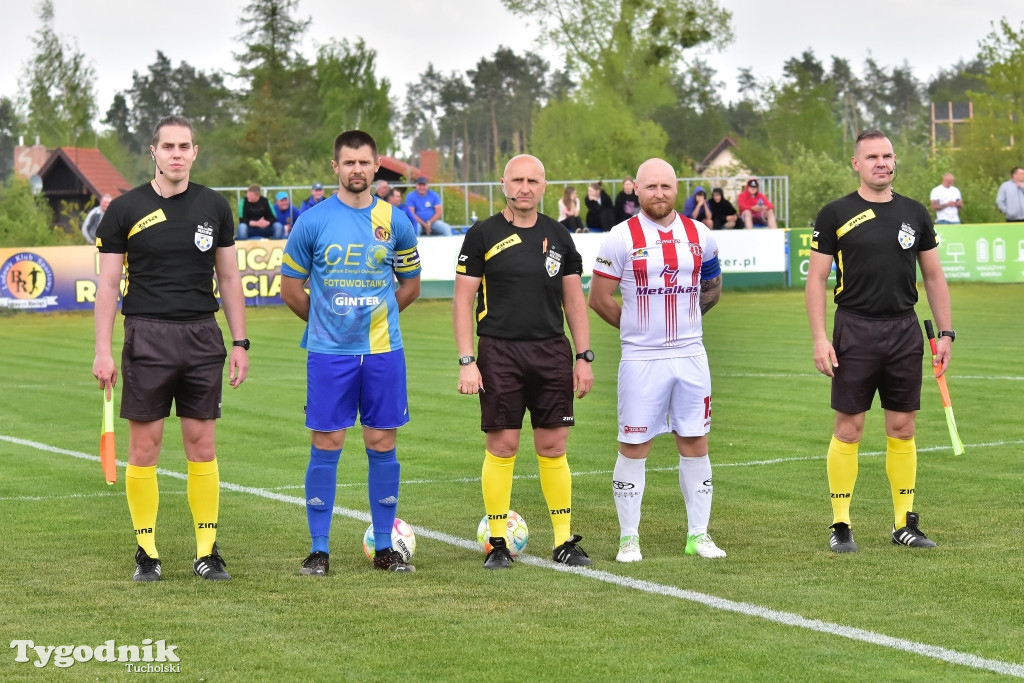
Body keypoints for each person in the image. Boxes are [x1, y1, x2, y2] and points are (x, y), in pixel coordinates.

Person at [92, 115, 249, 583]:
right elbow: (106, 286)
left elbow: (229, 278)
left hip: (203, 336)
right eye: (168, 147)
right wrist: (103, 349)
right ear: (153, 153)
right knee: (145, 447)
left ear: (195, 153)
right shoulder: (123, 209)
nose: (177, 154)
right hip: (147, 336)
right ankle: (147, 551)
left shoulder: (215, 206)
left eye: (185, 146)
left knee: (202, 445)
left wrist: (240, 342)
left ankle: (207, 551)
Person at [280, 129, 421, 576]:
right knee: (327, 441)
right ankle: (318, 549)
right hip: (329, 353)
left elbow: (410, 285)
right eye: (349, 162)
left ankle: (384, 548)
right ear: (335, 167)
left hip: (383, 352)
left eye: (364, 162)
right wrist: (329, 323)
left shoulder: (396, 221)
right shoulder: (312, 221)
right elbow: (290, 288)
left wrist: (377, 319)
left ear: (376, 166)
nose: (357, 169)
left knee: (382, 443)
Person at [806, 129, 953, 554]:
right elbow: (816, 279)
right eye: (872, 157)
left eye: (888, 156)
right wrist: (820, 338)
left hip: (904, 330)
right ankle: (841, 524)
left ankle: (903, 523)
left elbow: (934, 276)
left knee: (902, 427)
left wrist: (946, 333)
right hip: (854, 328)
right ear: (856, 163)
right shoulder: (835, 213)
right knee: (849, 428)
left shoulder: (915, 212)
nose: (882, 163)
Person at [453, 153, 595, 570]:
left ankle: (564, 541)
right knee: (503, 444)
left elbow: (574, 301)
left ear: (544, 186)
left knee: (553, 446)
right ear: (503, 184)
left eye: (533, 180)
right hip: (498, 351)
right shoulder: (481, 234)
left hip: (552, 350)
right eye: (517, 180)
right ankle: (497, 541)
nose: (524, 188)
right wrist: (467, 360)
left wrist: (583, 357)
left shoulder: (561, 237)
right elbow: (462, 301)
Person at [589, 158, 726, 563]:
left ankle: (698, 535)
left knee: (695, 441)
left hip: (690, 354)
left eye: (666, 186)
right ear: (636, 189)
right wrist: (637, 332)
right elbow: (599, 299)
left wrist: (684, 325)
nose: (659, 194)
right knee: (634, 444)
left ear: (676, 188)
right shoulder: (619, 237)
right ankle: (628, 538)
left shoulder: (700, 234)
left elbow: (713, 288)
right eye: (651, 187)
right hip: (641, 358)